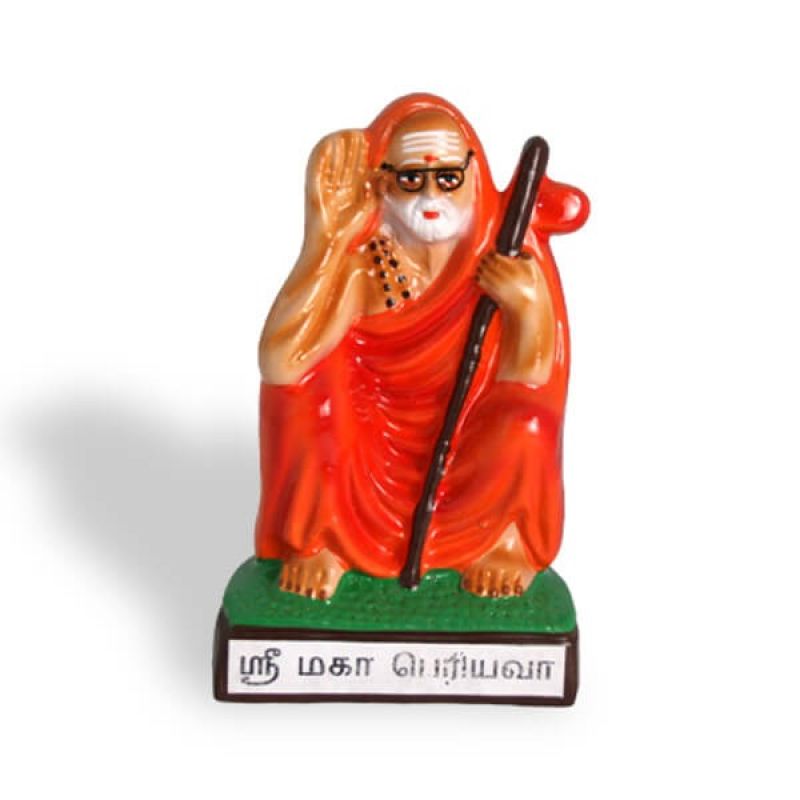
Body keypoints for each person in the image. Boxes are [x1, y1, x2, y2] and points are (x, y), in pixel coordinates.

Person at [255, 93, 588, 599]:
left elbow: (531, 378)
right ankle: (322, 542)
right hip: (370, 445)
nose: (431, 194)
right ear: (382, 184)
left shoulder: (510, 255)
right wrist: (326, 241)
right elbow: (281, 363)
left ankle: (503, 542)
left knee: (528, 424)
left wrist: (523, 306)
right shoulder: (367, 266)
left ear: (472, 174)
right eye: (411, 179)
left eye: (447, 177)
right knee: (307, 398)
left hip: (467, 444)